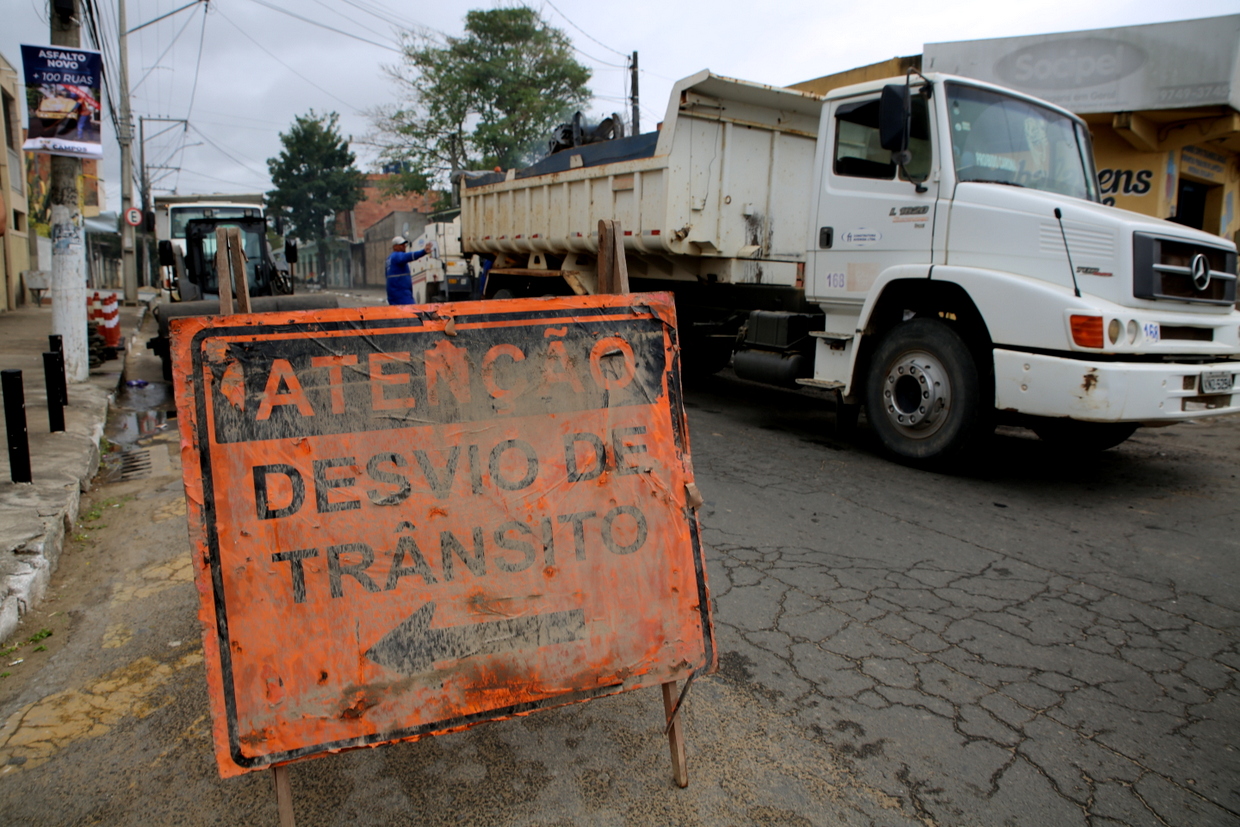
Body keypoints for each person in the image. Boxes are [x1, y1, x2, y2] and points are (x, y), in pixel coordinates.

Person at [385, 236, 434, 305]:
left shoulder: (389, 259)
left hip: (395, 294)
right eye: (401, 245)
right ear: (395, 247)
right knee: (413, 312)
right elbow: (408, 256)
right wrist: (423, 252)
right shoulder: (397, 256)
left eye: (404, 245)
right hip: (401, 294)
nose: (404, 246)